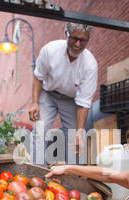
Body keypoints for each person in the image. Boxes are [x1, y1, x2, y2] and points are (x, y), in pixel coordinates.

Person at [28, 22, 98, 165]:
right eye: (74, 38)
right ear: (66, 33)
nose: (78, 44)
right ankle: (36, 172)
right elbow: (38, 77)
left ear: (88, 40)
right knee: (40, 130)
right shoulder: (50, 50)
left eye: (83, 40)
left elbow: (84, 103)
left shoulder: (90, 65)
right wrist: (34, 102)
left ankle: (72, 174)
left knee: (75, 136)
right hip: (48, 94)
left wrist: (80, 130)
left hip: (71, 99)